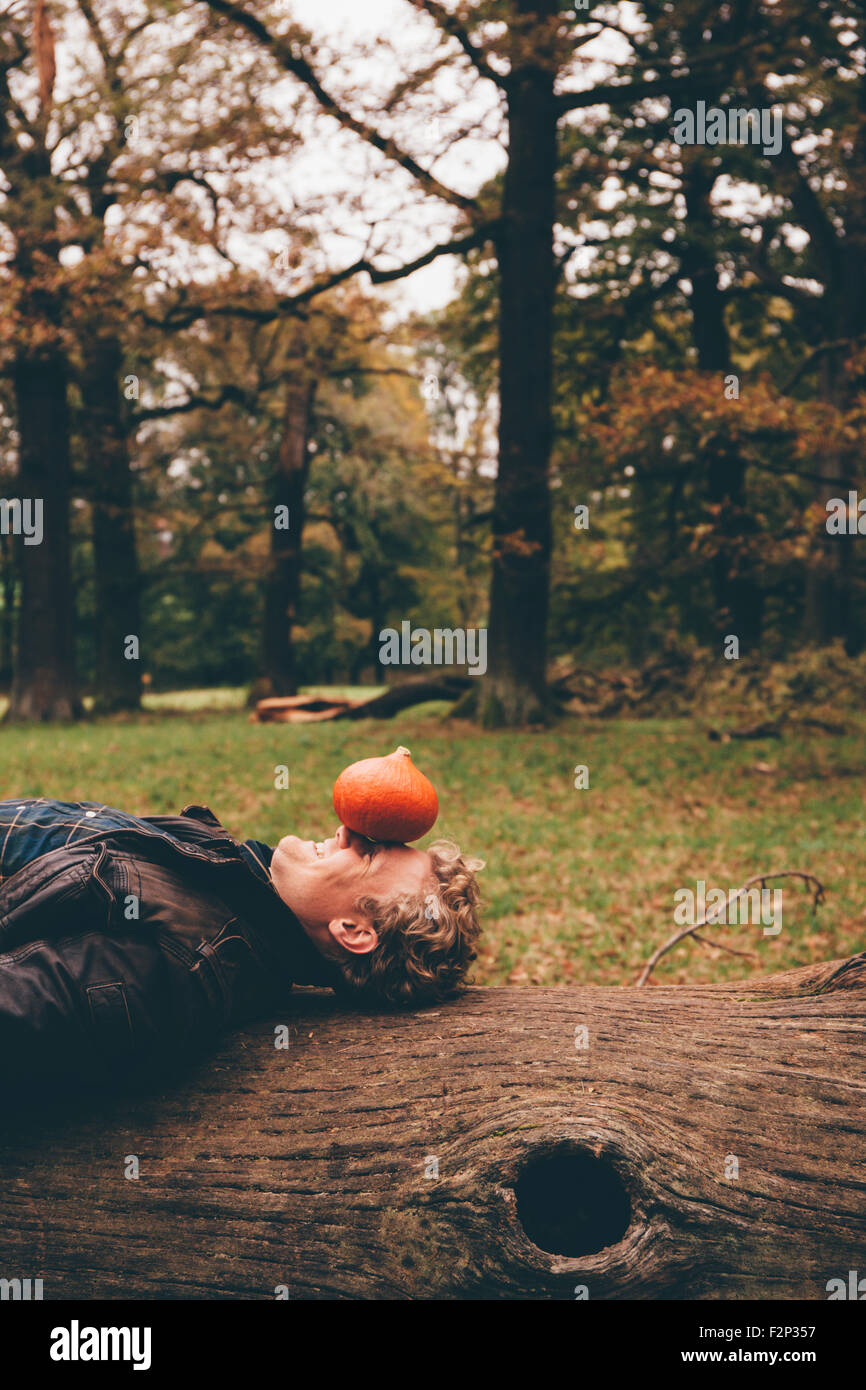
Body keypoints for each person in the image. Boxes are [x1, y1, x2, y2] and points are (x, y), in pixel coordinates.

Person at [0, 798, 483, 1097]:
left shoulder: (181, 967)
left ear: (354, 931)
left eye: (370, 852)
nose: (347, 830)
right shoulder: (230, 885)